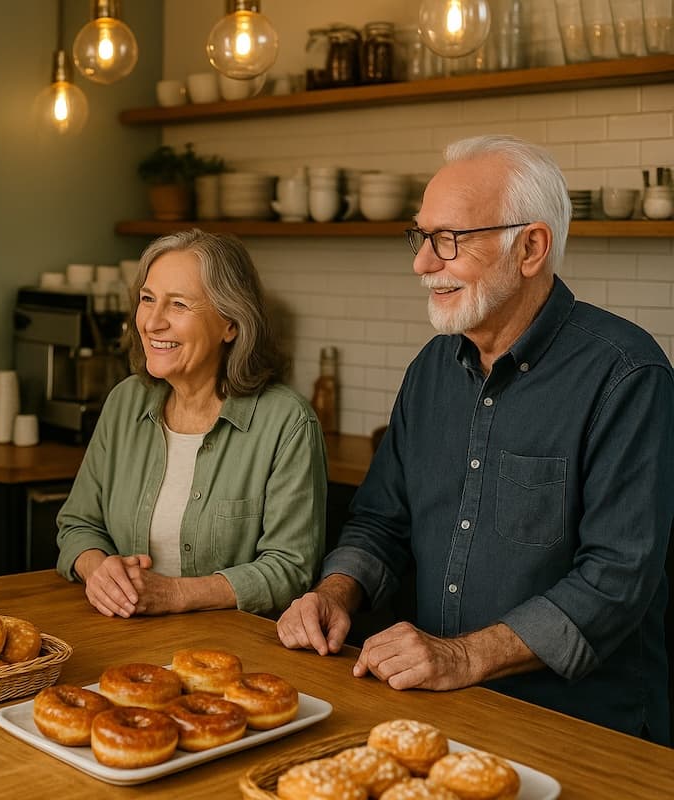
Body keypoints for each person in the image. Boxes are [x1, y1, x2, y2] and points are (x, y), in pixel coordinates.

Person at [277, 135, 672, 744]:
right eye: (421, 236)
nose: (422, 263)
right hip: (443, 713)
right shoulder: (430, 370)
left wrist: (460, 658)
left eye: (449, 241)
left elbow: (614, 582)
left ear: (531, 247)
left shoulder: (627, 375)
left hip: (584, 729)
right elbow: (381, 523)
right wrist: (336, 593)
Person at [56, 229, 327, 618]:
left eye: (178, 305)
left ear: (231, 324)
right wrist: (97, 568)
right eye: (147, 300)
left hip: (232, 655)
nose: (152, 322)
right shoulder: (124, 402)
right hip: (122, 634)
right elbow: (77, 524)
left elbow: (291, 569)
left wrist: (177, 594)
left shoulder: (287, 423)